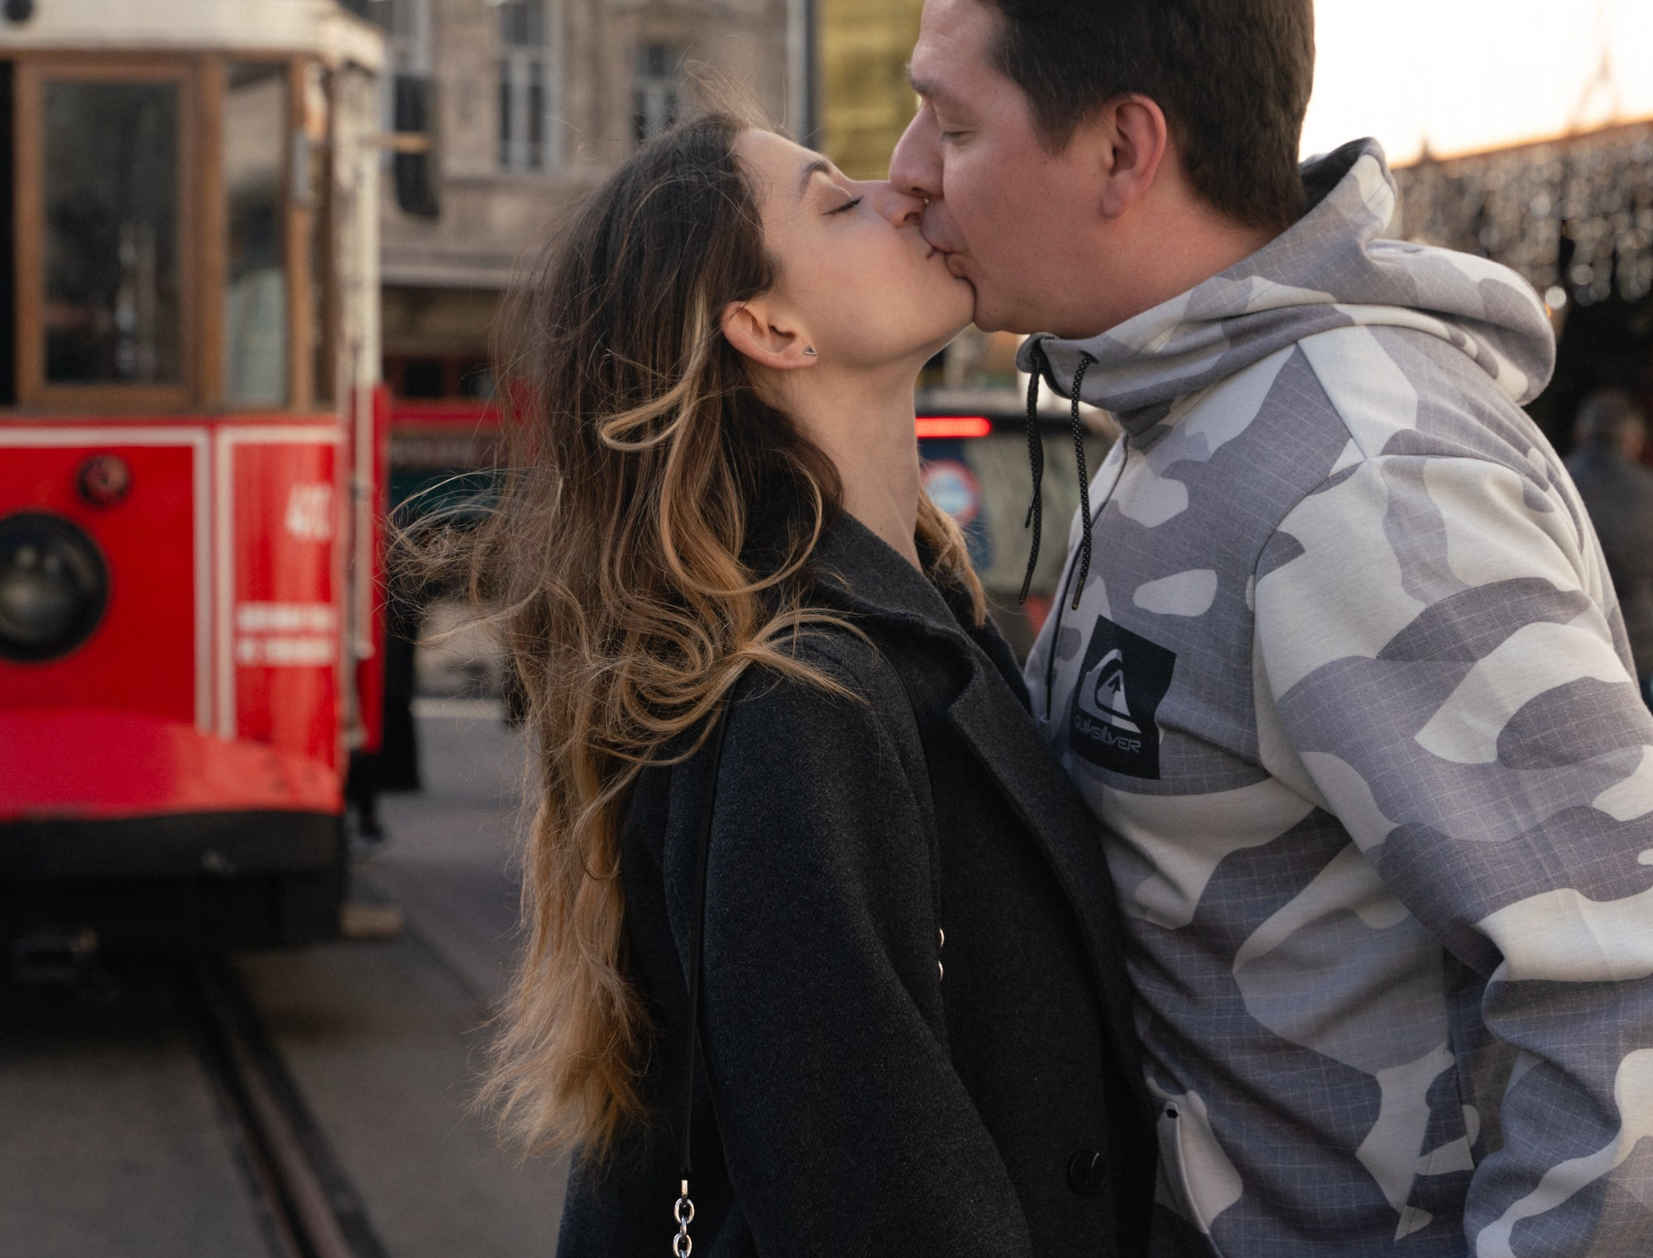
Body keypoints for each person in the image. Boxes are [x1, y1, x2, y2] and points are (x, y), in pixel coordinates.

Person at [889, 0, 1653, 1257]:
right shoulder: (1201, 409)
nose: (912, 174)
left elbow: (1639, 975)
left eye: (955, 126)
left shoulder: (1355, 471)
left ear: (1121, 147)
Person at [461, 110, 1152, 1256]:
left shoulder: (902, 617)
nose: (904, 190)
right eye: (838, 202)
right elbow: (872, 1200)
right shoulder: (804, 690)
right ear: (769, 326)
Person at [1563, 389, 1653, 686]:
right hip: (1637, 648)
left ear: (1581, 433)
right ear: (1634, 441)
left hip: (1566, 645)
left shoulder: (1551, 482)